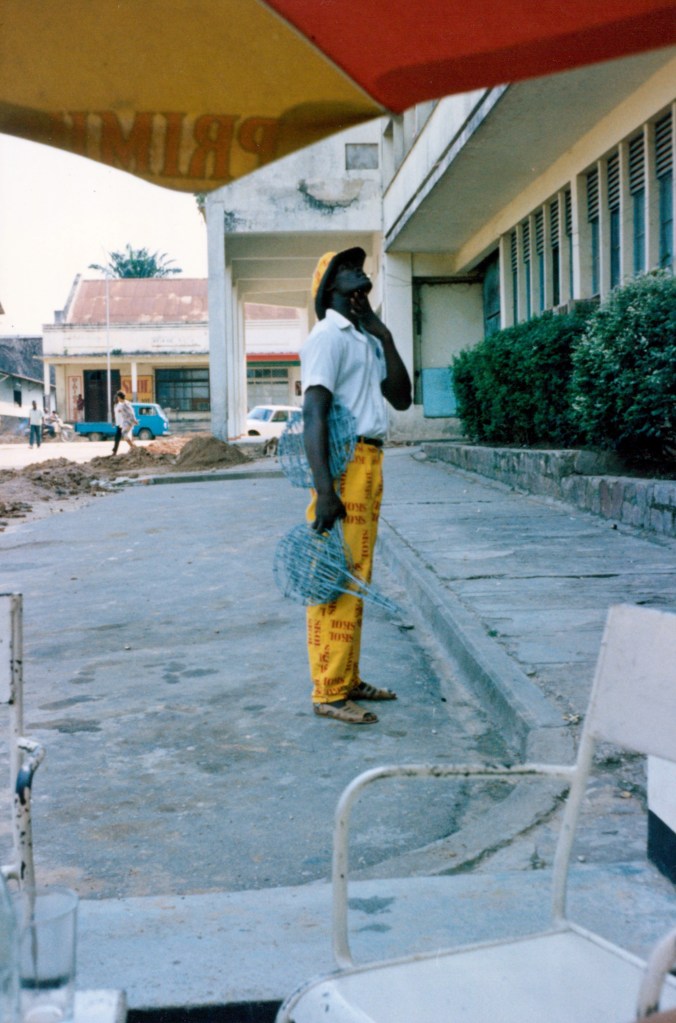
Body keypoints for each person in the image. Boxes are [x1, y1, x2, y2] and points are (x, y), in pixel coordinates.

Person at [301, 247, 412, 725]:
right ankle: (328, 691)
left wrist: (383, 333)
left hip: (371, 459)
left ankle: (347, 678)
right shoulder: (327, 336)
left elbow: (402, 398)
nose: (359, 274)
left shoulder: (364, 338)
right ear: (330, 287)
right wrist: (325, 489)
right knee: (334, 575)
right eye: (348, 270)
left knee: (356, 575)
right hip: (344, 463)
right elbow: (314, 413)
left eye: (361, 269)